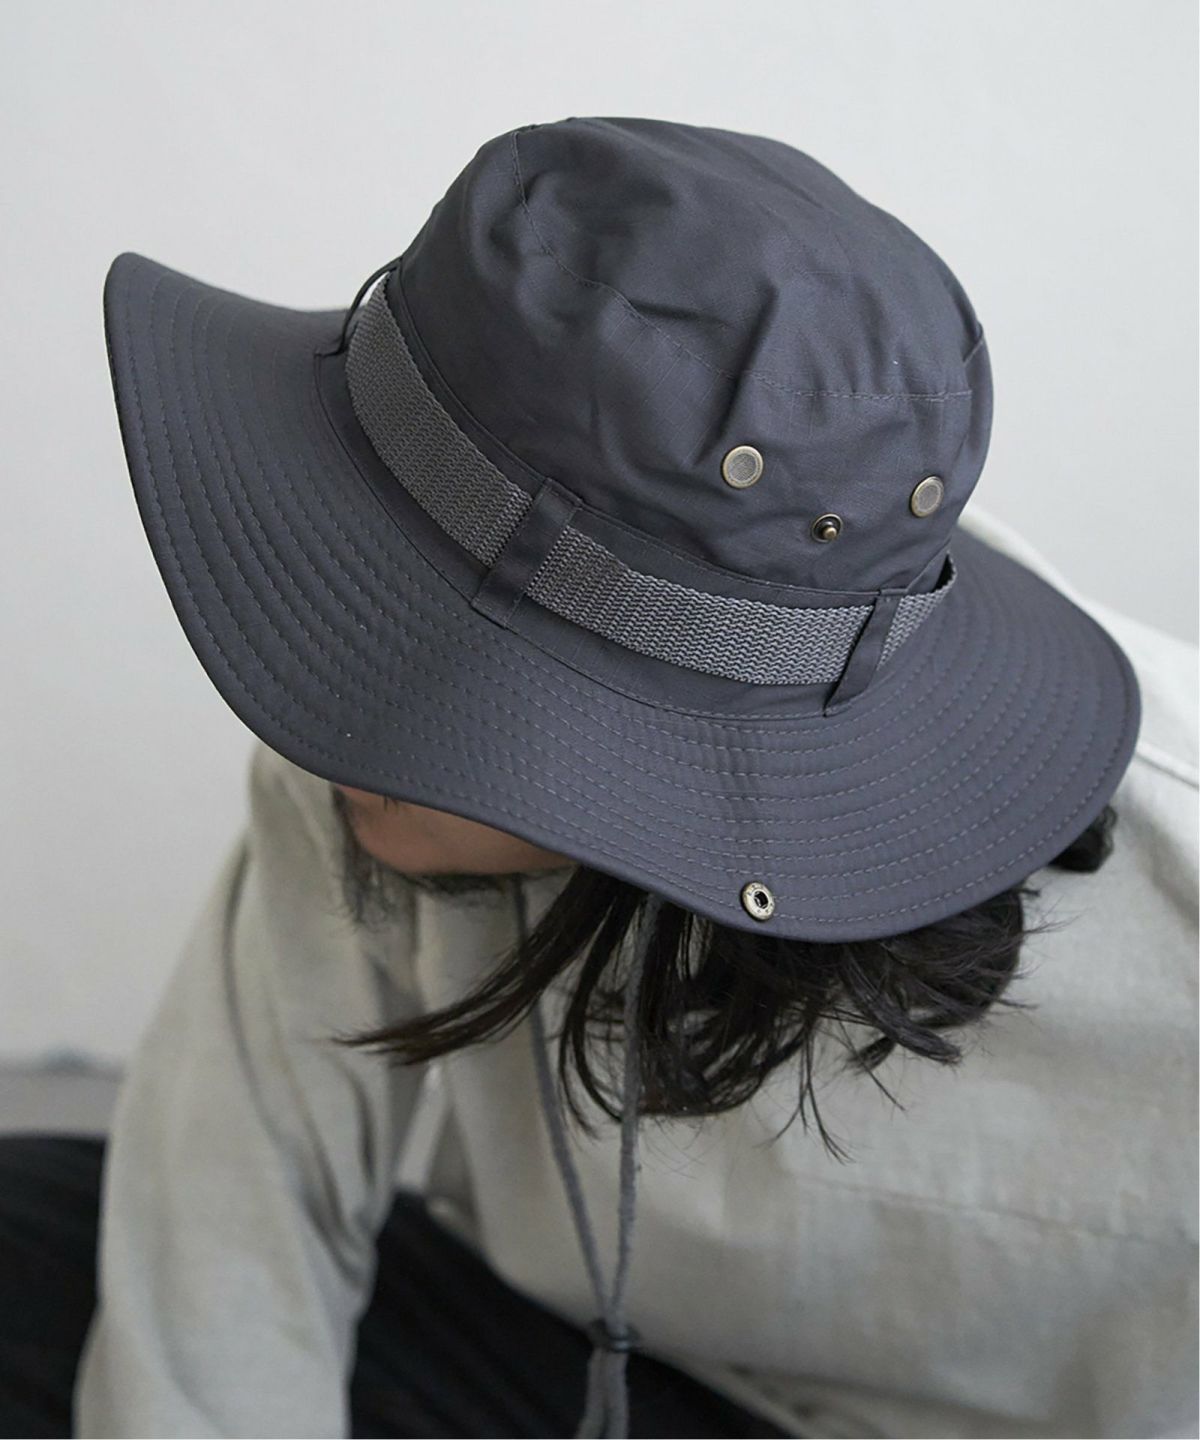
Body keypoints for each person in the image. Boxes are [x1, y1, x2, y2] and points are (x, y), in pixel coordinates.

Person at [0, 116, 1195, 1439]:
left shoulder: (1176, 877)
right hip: (580, 1362)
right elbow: (237, 1218)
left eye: (442, 629)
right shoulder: (360, 717)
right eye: (371, 568)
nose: (338, 662)